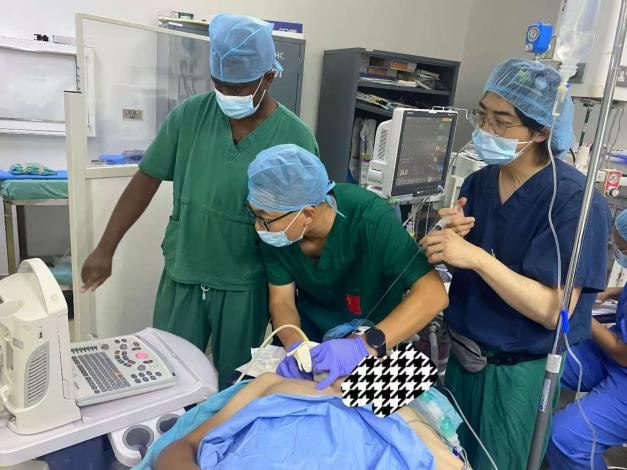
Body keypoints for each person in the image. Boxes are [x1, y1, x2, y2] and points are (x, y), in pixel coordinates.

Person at [79, 14, 318, 389]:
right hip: (185, 274)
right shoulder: (190, 116)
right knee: (167, 377)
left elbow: (305, 219)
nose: (228, 95)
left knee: (235, 385)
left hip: (244, 284)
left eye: (239, 87)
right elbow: (146, 178)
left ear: (268, 77)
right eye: (219, 84)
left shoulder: (295, 138)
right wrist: (105, 247)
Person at [421, 58, 611, 469]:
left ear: (541, 131)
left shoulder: (574, 202)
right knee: (449, 459)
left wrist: (476, 258)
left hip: (516, 376)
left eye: (501, 122)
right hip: (464, 360)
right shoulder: (480, 182)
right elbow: (470, 267)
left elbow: (552, 310)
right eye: (482, 116)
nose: (485, 130)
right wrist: (449, 240)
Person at [245, 144, 448, 389]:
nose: (258, 227)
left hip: (377, 343)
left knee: (374, 406)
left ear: (307, 214)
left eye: (264, 219)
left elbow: (434, 294)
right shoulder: (279, 232)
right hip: (311, 340)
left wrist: (362, 347)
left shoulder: (371, 218)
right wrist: (295, 346)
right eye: (255, 215)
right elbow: (282, 301)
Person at [153, 373, 465, 470]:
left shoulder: (400, 416)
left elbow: (448, 463)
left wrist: (370, 388)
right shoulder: (272, 384)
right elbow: (180, 448)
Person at [546, 209, 627, 470]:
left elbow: (623, 354)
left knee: (563, 439)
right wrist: (611, 292)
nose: (617, 252)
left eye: (622, 249)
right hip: (613, 355)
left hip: (622, 362)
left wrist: (581, 316)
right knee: (542, 362)